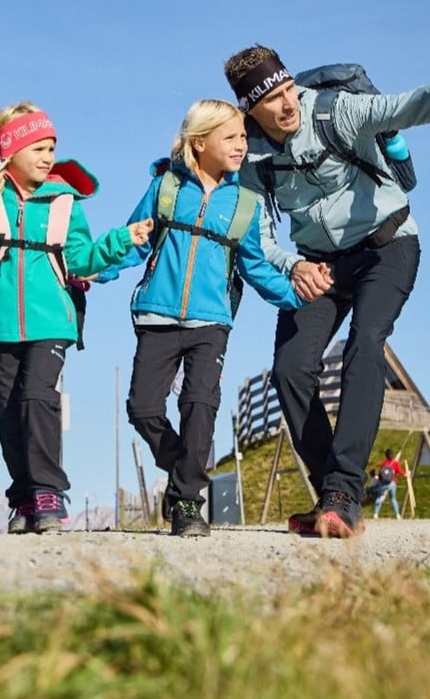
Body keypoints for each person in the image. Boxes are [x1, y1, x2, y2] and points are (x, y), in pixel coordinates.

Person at [223, 45, 430, 538]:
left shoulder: (331, 109)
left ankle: (342, 491)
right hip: (320, 266)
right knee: (290, 369)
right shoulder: (252, 157)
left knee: (366, 342)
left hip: (388, 246)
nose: (286, 103)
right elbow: (258, 237)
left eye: (286, 88)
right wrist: (293, 265)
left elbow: (409, 105)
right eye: (271, 100)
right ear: (250, 110)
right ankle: (336, 496)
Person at [0, 102, 152, 534]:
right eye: (37, 147)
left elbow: (82, 260)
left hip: (52, 323)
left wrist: (122, 240)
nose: (48, 156)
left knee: (38, 399)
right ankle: (25, 498)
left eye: (51, 147)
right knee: (7, 414)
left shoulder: (65, 205)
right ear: (9, 152)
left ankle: (50, 491)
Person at [97, 100, 303, 537]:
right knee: (143, 407)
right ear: (199, 142)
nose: (241, 145)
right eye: (230, 137)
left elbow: (254, 264)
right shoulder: (166, 188)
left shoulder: (244, 202)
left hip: (212, 321)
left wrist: (294, 298)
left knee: (200, 403)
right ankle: (184, 467)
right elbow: (136, 241)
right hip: (156, 314)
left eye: (244, 137)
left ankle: (187, 503)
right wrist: (97, 269)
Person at [373, 449, 406, 519]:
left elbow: (380, 474)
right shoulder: (395, 463)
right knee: (393, 498)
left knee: (380, 497)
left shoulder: (383, 463)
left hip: (383, 484)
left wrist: (379, 482)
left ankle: (376, 513)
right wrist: (406, 474)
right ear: (392, 455)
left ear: (386, 455)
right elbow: (400, 471)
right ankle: (397, 514)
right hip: (392, 483)